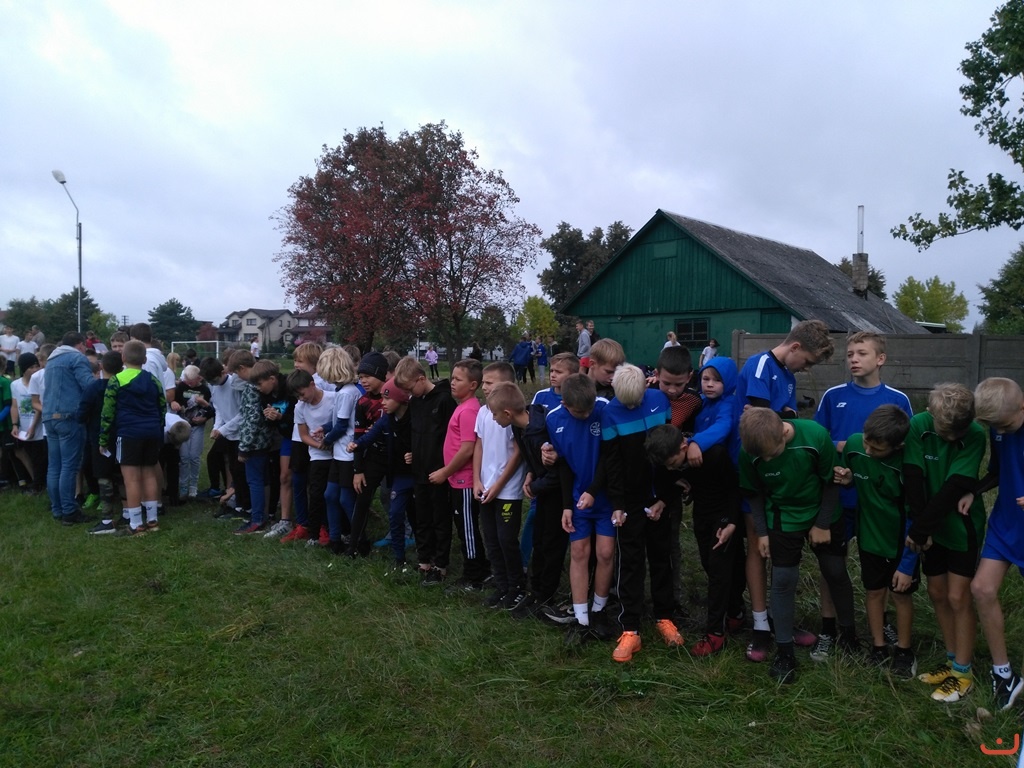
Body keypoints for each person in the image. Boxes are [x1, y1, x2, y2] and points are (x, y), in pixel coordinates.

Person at [810, 331, 913, 661]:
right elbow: (817, 440)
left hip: (879, 504)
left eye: (862, 353)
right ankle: (829, 627)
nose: (853, 359)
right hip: (839, 498)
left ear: (880, 359)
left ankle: (883, 623)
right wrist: (839, 448)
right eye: (850, 353)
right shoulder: (833, 395)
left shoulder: (897, 399)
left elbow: (906, 449)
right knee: (832, 566)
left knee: (880, 569)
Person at [737, 319, 835, 662]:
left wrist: (787, 413)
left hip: (782, 468)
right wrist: (783, 413)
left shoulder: (789, 376)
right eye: (806, 361)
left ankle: (780, 621)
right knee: (758, 544)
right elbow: (762, 417)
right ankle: (760, 625)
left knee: (777, 553)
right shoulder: (760, 365)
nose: (806, 368)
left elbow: (785, 417)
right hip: (756, 467)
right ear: (795, 347)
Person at [739, 407, 858, 684]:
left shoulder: (815, 436)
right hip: (782, 518)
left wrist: (823, 523)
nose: (767, 460)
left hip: (822, 512)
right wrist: (762, 532)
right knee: (783, 580)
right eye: (762, 457)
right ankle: (785, 652)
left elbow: (832, 482)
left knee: (835, 571)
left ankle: (849, 636)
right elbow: (753, 493)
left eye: (772, 453)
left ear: (784, 431)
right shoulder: (750, 451)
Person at [650, 355, 745, 657]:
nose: (710, 384)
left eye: (716, 380)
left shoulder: (714, 448)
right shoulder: (700, 404)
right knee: (711, 564)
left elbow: (732, 483)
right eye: (706, 379)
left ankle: (715, 632)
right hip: (703, 506)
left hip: (723, 506)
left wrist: (731, 520)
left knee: (720, 570)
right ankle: (736, 612)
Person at [904, 383, 987, 702]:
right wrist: (921, 529)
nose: (952, 438)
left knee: (957, 597)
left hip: (960, 527)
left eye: (957, 432)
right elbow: (913, 475)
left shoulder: (975, 433)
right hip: (928, 526)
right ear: (931, 414)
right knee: (937, 592)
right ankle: (952, 661)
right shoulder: (918, 424)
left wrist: (920, 530)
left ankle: (963, 673)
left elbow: (956, 485)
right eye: (946, 431)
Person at [601, 364, 681, 663]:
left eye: (637, 402)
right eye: (627, 404)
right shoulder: (610, 413)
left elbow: (670, 454)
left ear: (647, 389)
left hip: (659, 496)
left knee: (662, 556)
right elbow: (612, 463)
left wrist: (665, 498)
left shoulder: (660, 400)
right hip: (630, 501)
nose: (633, 407)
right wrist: (618, 504)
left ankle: (665, 616)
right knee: (630, 561)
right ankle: (630, 628)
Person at [833, 405, 919, 679]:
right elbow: (855, 474)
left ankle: (904, 651)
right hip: (869, 538)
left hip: (900, 543)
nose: (868, 451)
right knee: (873, 592)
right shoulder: (855, 446)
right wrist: (848, 480)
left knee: (901, 595)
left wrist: (908, 564)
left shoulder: (907, 465)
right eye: (866, 442)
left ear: (898, 446)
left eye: (877, 448)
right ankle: (878, 646)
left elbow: (915, 515)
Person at [545, 373, 615, 645]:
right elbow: (563, 465)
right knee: (578, 552)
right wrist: (566, 506)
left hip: (606, 498)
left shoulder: (605, 409)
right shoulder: (554, 419)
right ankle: (581, 616)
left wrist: (594, 491)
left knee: (605, 552)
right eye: (578, 412)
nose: (585, 415)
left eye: (588, 410)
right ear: (564, 404)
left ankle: (599, 610)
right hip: (578, 500)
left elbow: (610, 457)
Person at [970, 378, 1024, 710]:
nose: (1000, 431)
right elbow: (998, 471)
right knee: (981, 589)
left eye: (1005, 425)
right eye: (994, 427)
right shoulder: (998, 427)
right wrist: (972, 491)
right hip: (1006, 525)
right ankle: (1003, 674)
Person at [394, 355, 457, 586]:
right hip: (418, 470)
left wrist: (446, 469)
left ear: (421, 379)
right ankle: (424, 561)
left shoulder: (444, 401)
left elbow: (452, 438)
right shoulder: (415, 402)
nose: (409, 394)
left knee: (440, 518)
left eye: (410, 388)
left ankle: (441, 565)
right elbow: (415, 432)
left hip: (439, 472)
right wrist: (412, 452)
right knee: (422, 518)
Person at [429, 358, 490, 592]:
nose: (452, 383)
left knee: (467, 528)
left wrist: (445, 472)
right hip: (458, 480)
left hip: (464, 481)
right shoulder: (462, 407)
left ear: (473, 385)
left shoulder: (469, 410)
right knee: (463, 525)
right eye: (452, 378)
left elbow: (467, 449)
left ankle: (474, 575)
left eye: (457, 379)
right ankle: (480, 567)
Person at [99, 340, 167, 536]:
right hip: (152, 432)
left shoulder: (116, 380)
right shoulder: (153, 380)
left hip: (129, 433)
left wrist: (103, 439)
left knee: (131, 480)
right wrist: (157, 427)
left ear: (123, 358)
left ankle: (136, 523)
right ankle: (153, 520)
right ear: (144, 360)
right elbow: (162, 406)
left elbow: (107, 412)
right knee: (149, 475)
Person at [346, 378, 414, 571]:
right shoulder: (386, 419)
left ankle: (424, 555)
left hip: (410, 472)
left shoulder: (414, 417)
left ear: (400, 399)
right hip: (391, 468)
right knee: (393, 511)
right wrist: (357, 445)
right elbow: (370, 435)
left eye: (387, 398)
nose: (382, 403)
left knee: (413, 512)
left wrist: (415, 454)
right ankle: (397, 557)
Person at [474, 362, 526, 608]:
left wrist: (499, 485)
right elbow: (479, 445)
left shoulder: (509, 416)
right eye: (483, 382)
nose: (484, 387)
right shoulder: (484, 412)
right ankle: (502, 585)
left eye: (489, 382)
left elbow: (518, 453)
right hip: (485, 488)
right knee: (491, 538)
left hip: (508, 490)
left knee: (506, 539)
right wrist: (477, 480)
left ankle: (517, 586)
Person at [43, 332, 96, 525]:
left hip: (49, 416)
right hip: (69, 416)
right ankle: (69, 511)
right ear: (80, 345)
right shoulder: (76, 358)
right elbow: (89, 385)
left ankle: (57, 509)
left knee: (54, 465)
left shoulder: (51, 360)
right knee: (69, 465)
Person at [317, 347, 360, 551]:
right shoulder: (341, 391)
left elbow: (342, 426)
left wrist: (326, 440)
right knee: (330, 495)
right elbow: (338, 421)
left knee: (346, 499)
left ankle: (358, 539)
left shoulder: (347, 393)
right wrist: (325, 428)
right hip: (339, 453)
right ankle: (335, 539)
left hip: (347, 454)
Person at [288, 368, 336, 544]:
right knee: (316, 494)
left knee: (334, 494)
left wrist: (332, 442)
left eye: (302, 394)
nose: (301, 399)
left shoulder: (333, 398)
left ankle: (336, 530)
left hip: (337, 454)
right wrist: (320, 446)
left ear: (312, 384)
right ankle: (314, 534)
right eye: (297, 396)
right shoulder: (299, 408)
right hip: (318, 455)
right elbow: (303, 435)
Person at [79, 351, 124, 534]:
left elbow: (81, 413)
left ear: (101, 366)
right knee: (122, 474)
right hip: (122, 436)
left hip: (100, 439)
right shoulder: (124, 387)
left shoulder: (93, 388)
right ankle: (128, 513)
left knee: (104, 476)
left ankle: (107, 519)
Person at [171, 365, 213, 500]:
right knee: (184, 457)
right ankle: (183, 486)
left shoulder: (205, 390)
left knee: (194, 457)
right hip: (183, 426)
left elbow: (211, 410)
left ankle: (193, 486)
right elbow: (174, 400)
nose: (188, 384)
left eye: (191, 382)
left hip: (197, 427)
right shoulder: (181, 387)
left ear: (199, 378)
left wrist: (204, 417)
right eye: (187, 381)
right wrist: (174, 403)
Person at [10, 353, 46, 494]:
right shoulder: (15, 385)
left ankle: (39, 485)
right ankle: (36, 482)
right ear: (23, 369)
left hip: (38, 428)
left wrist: (33, 427)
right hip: (24, 428)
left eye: (37, 366)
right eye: (31, 367)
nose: (35, 370)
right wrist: (15, 424)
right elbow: (15, 406)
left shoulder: (39, 382)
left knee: (40, 458)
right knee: (29, 456)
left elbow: (38, 406)